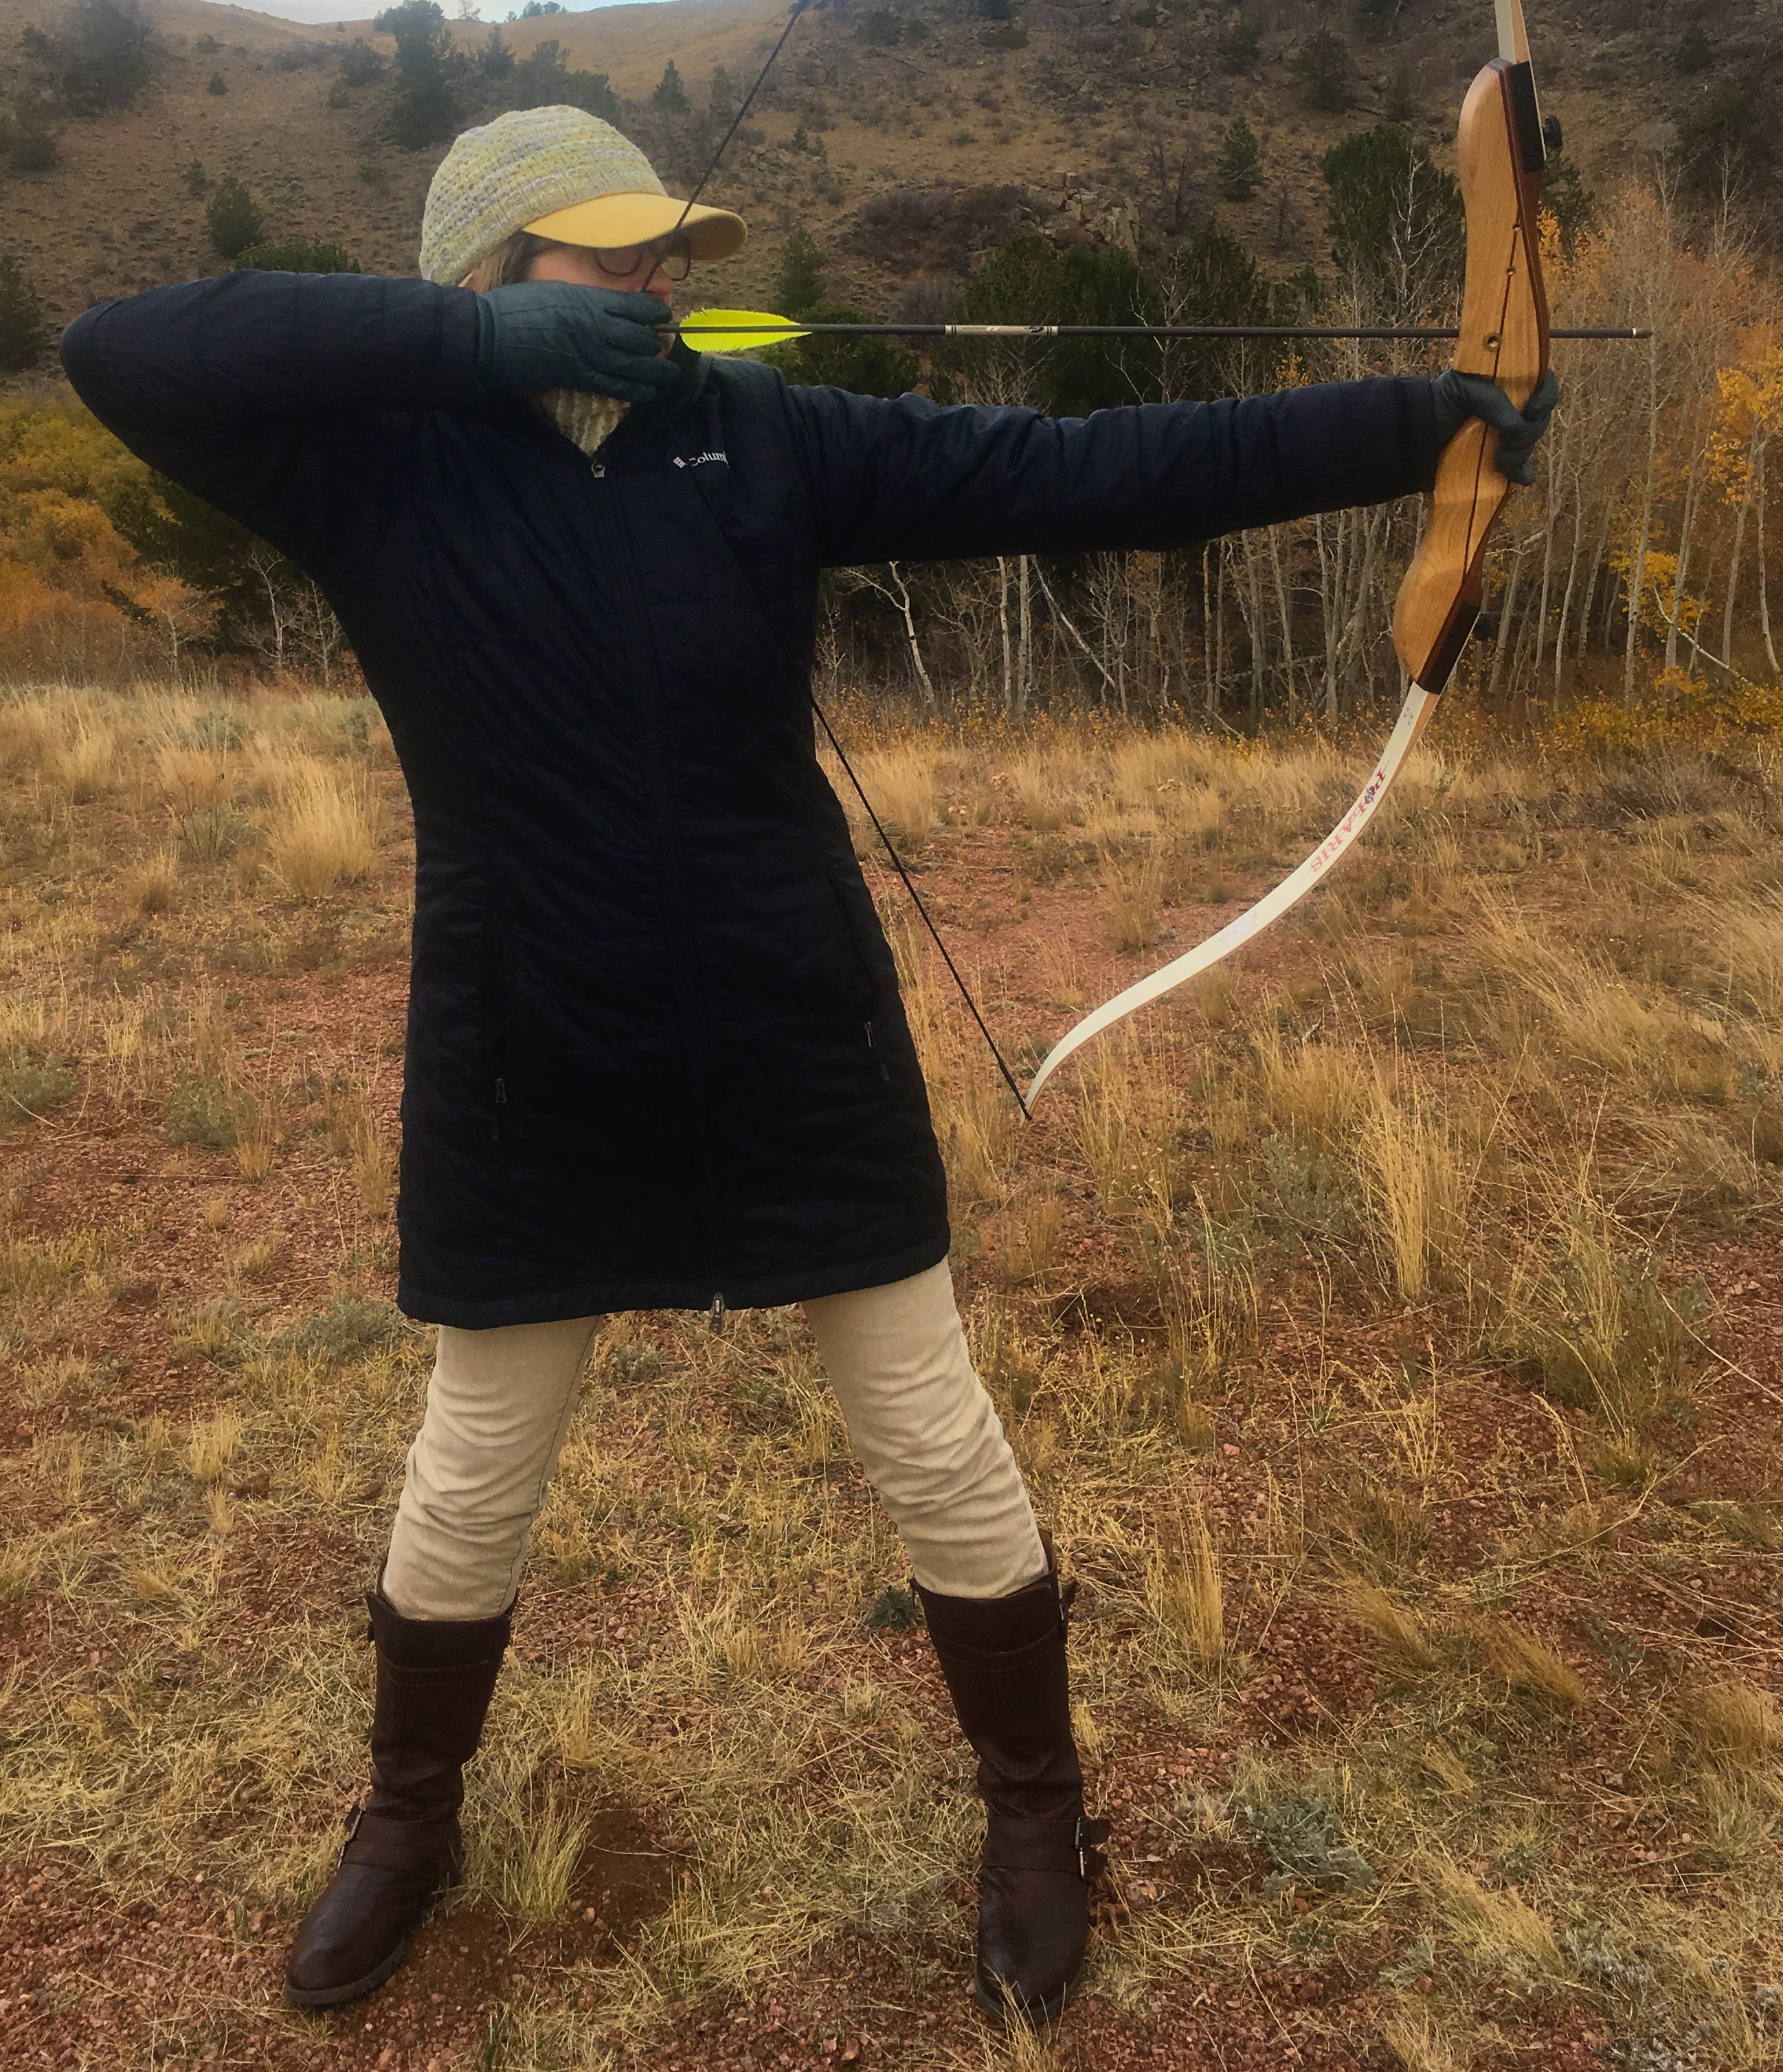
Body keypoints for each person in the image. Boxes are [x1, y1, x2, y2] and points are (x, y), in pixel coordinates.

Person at [61, 104, 1555, 2027]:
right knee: (474, 1465)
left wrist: (1417, 423)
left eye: (663, 251)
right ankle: (408, 1821)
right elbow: (122, 347)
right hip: (532, 1042)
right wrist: (471, 353)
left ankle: (1038, 1816)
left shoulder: (759, 433)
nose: (655, 282)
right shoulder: (370, 468)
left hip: (790, 1020)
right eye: (603, 256)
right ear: (493, 274)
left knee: (931, 1433)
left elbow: (1098, 472)